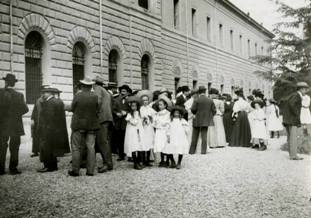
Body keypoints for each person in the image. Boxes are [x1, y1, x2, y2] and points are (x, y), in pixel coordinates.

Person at [68, 77, 100, 177]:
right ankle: (90, 171)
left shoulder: (78, 95)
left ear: (82, 85)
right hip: (92, 125)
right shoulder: (95, 96)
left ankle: (76, 170)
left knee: (76, 147)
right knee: (91, 147)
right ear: (90, 86)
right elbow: (97, 109)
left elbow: (72, 108)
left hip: (78, 125)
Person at [0, 74, 28, 175]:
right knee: (15, 147)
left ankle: (0, 169)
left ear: (6, 82)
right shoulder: (19, 95)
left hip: (2, 125)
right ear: (14, 83)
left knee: (1, 146)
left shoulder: (0, 93)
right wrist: (16, 114)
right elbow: (25, 109)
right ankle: (13, 169)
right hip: (16, 125)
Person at [36, 87, 67, 172]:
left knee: (47, 148)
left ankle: (48, 166)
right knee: (52, 148)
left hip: (48, 129)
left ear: (50, 93)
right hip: (55, 129)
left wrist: (43, 128)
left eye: (45, 93)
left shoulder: (49, 102)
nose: (43, 94)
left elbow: (48, 117)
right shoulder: (58, 101)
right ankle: (53, 166)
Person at [280, 81, 309, 160]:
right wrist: (297, 114)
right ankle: (294, 155)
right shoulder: (297, 96)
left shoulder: (292, 95)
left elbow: (286, 105)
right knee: (293, 138)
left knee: (290, 137)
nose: (306, 91)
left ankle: (291, 154)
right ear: (301, 89)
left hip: (288, 119)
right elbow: (292, 105)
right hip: (292, 120)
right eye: (305, 90)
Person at [93, 76, 114, 173]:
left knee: (102, 142)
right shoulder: (106, 91)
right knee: (105, 141)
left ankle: (107, 164)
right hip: (107, 118)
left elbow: (97, 102)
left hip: (101, 119)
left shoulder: (97, 89)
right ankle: (108, 163)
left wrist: (93, 113)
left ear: (95, 83)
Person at [189, 86, 216, 154]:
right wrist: (209, 115)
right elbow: (214, 110)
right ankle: (203, 151)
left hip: (197, 119)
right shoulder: (210, 100)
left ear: (198, 92)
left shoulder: (196, 99)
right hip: (206, 120)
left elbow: (193, 109)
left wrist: (195, 113)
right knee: (204, 136)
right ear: (205, 91)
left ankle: (192, 151)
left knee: (194, 136)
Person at [123, 96, 144, 170]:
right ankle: (135, 163)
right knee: (133, 146)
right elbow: (133, 122)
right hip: (131, 132)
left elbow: (135, 122)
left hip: (137, 132)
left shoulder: (137, 113)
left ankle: (139, 161)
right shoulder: (129, 114)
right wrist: (129, 118)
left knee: (137, 146)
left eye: (135, 106)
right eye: (132, 106)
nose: (133, 107)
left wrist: (130, 119)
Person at [113, 85, 132, 161]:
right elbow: (113, 109)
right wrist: (117, 113)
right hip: (118, 122)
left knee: (128, 139)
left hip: (127, 122)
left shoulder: (130, 99)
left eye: (124, 91)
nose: (122, 93)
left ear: (127, 92)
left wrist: (126, 112)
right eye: (121, 91)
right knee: (120, 139)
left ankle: (130, 155)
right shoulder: (116, 99)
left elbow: (133, 109)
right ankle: (121, 155)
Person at [138, 90, 156, 166]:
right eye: (143, 100)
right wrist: (142, 120)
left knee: (149, 143)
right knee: (142, 143)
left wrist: (151, 119)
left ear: (149, 101)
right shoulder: (140, 109)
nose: (145, 101)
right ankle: (142, 160)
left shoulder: (151, 109)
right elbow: (138, 118)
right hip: (142, 128)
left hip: (149, 128)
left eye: (146, 100)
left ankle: (148, 160)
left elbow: (155, 119)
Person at [153, 95, 172, 167]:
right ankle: (162, 160)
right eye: (159, 105)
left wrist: (161, 123)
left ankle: (167, 160)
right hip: (159, 131)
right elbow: (154, 123)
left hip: (164, 131)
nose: (159, 106)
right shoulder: (157, 114)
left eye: (161, 105)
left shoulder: (168, 113)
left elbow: (168, 123)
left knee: (165, 145)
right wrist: (154, 121)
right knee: (159, 145)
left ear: (165, 105)